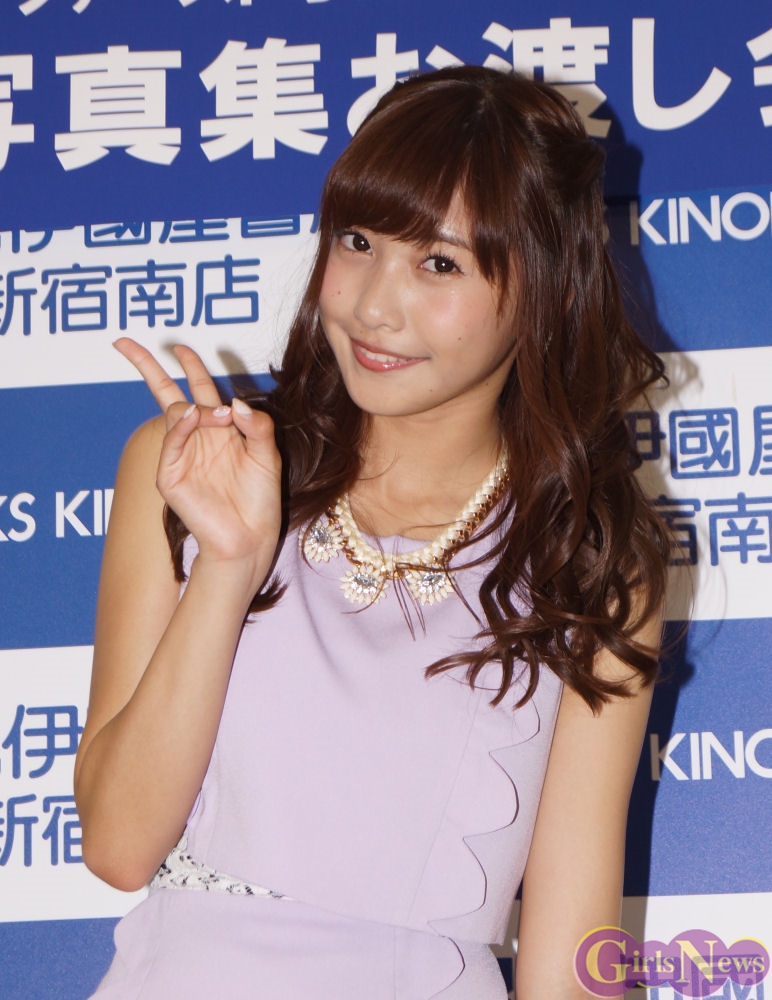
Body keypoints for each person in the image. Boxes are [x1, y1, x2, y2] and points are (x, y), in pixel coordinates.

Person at [75, 66, 670, 1000]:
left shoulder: (588, 562)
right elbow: (117, 844)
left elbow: (571, 957)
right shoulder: (197, 465)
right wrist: (230, 562)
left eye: (440, 264)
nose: (371, 306)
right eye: (357, 242)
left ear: (544, 287)